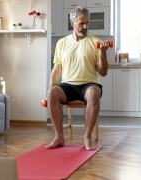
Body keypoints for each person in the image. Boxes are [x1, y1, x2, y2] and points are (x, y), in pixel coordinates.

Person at [46, 6, 110, 150]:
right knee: (52, 93)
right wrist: (50, 91)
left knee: (93, 93)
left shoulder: (96, 42)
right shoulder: (62, 43)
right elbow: (56, 70)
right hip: (68, 85)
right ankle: (59, 137)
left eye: (87, 22)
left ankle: (87, 138)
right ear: (72, 23)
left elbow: (103, 72)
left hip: (89, 84)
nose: (85, 26)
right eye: (81, 23)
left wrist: (103, 53)